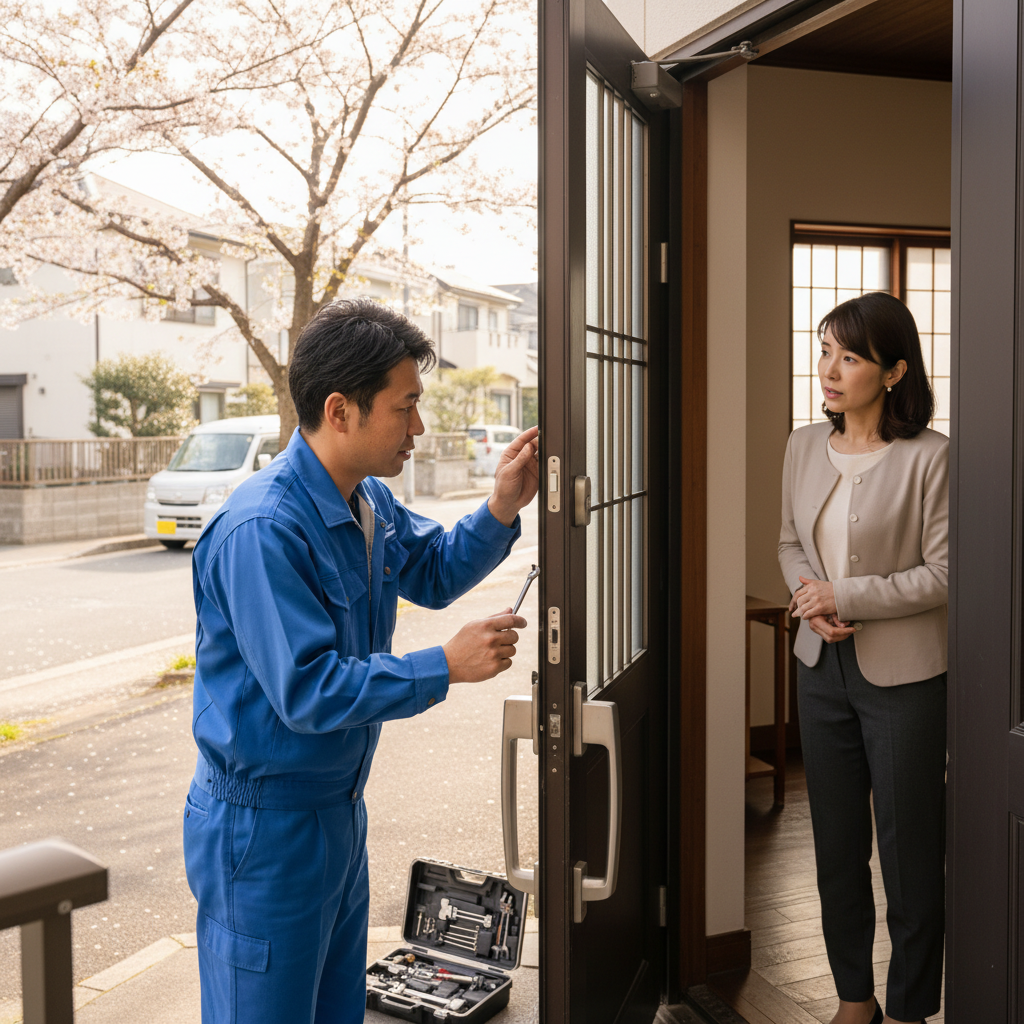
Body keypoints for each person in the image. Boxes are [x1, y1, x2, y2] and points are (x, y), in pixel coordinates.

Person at [182, 297, 539, 1023]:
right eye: (404, 407)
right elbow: (307, 690)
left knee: (335, 1010)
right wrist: (444, 664)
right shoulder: (262, 529)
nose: (419, 428)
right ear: (340, 410)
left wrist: (501, 505)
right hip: (263, 832)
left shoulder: (365, 499)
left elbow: (433, 570)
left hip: (339, 815)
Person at [779, 291, 948, 1024]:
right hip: (819, 669)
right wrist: (812, 599)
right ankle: (856, 999)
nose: (830, 369)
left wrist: (842, 593)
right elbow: (789, 545)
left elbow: (947, 574)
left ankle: (910, 1009)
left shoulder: (933, 458)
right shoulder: (798, 446)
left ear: (893, 371)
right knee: (835, 848)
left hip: (906, 677)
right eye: (825, 351)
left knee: (909, 855)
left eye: (850, 356)